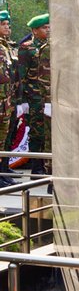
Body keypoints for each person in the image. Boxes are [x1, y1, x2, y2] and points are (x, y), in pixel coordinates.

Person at [18, 14, 51, 178]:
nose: (48, 30)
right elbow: (21, 76)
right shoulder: (26, 48)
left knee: (48, 133)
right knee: (37, 133)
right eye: (44, 27)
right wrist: (22, 101)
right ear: (35, 30)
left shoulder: (50, 46)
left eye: (49, 27)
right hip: (34, 98)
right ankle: (36, 168)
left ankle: (46, 166)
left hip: (47, 98)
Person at [0, 11, 17, 187]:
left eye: (7, 24)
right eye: (3, 24)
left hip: (6, 101)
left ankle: (3, 172)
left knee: (4, 138)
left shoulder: (6, 47)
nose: (7, 27)